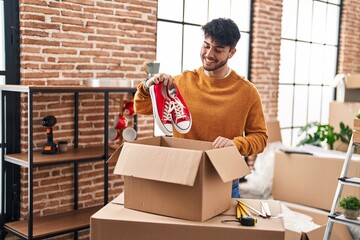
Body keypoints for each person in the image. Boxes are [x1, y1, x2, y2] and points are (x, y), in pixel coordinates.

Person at [134, 18, 268, 198]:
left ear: (232, 52)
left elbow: (260, 138)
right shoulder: (181, 82)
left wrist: (235, 144)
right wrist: (147, 86)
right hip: (183, 175)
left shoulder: (247, 92)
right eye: (206, 45)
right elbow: (143, 108)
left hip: (223, 180)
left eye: (219, 49)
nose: (209, 54)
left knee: (222, 226)